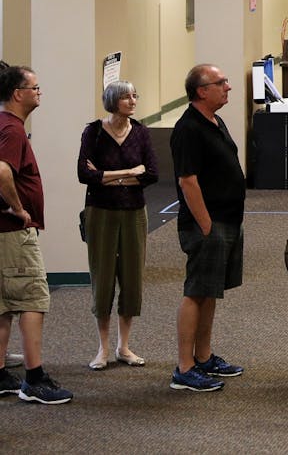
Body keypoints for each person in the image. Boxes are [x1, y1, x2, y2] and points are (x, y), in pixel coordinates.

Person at [0, 64, 74, 404]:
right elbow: (2, 171)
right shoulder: (12, 129)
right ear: (18, 93)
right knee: (32, 299)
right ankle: (35, 379)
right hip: (12, 232)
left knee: (4, 304)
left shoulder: (5, 125)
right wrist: (18, 208)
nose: (39, 92)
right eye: (35, 87)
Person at [170, 64, 246, 392]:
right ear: (202, 91)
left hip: (227, 220)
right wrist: (205, 225)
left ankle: (204, 356)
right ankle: (184, 367)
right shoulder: (188, 129)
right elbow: (188, 181)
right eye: (221, 82)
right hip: (206, 224)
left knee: (210, 292)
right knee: (196, 292)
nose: (228, 87)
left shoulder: (215, 121)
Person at [76, 79, 158, 371]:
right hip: (101, 211)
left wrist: (108, 176)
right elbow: (84, 175)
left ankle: (124, 347)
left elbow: (151, 174)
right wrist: (127, 173)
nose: (133, 101)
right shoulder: (94, 132)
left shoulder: (141, 132)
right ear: (112, 100)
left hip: (134, 211)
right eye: (126, 97)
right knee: (103, 276)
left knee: (132, 277)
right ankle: (103, 348)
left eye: (135, 96)